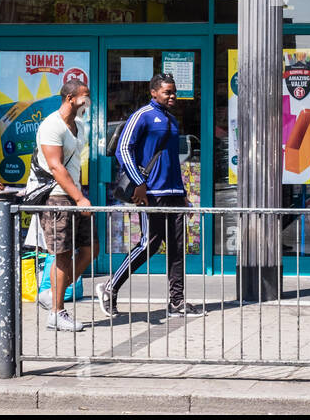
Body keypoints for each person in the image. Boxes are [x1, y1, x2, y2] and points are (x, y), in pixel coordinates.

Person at [98, 73, 200, 320]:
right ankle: (110, 287)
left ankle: (176, 302)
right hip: (151, 192)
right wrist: (139, 183)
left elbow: (172, 161)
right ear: (153, 92)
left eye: (174, 91)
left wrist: (183, 193)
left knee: (177, 248)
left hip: (173, 193)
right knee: (149, 244)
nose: (172, 95)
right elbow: (124, 149)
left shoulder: (172, 120)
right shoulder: (142, 115)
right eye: (167, 92)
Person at [33, 79, 94, 332]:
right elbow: (56, 167)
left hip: (75, 194)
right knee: (62, 254)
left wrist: (79, 195)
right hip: (58, 197)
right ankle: (56, 313)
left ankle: (52, 293)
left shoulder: (78, 125)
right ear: (70, 98)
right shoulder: (51, 126)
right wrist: (79, 198)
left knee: (91, 248)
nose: (87, 102)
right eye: (84, 97)